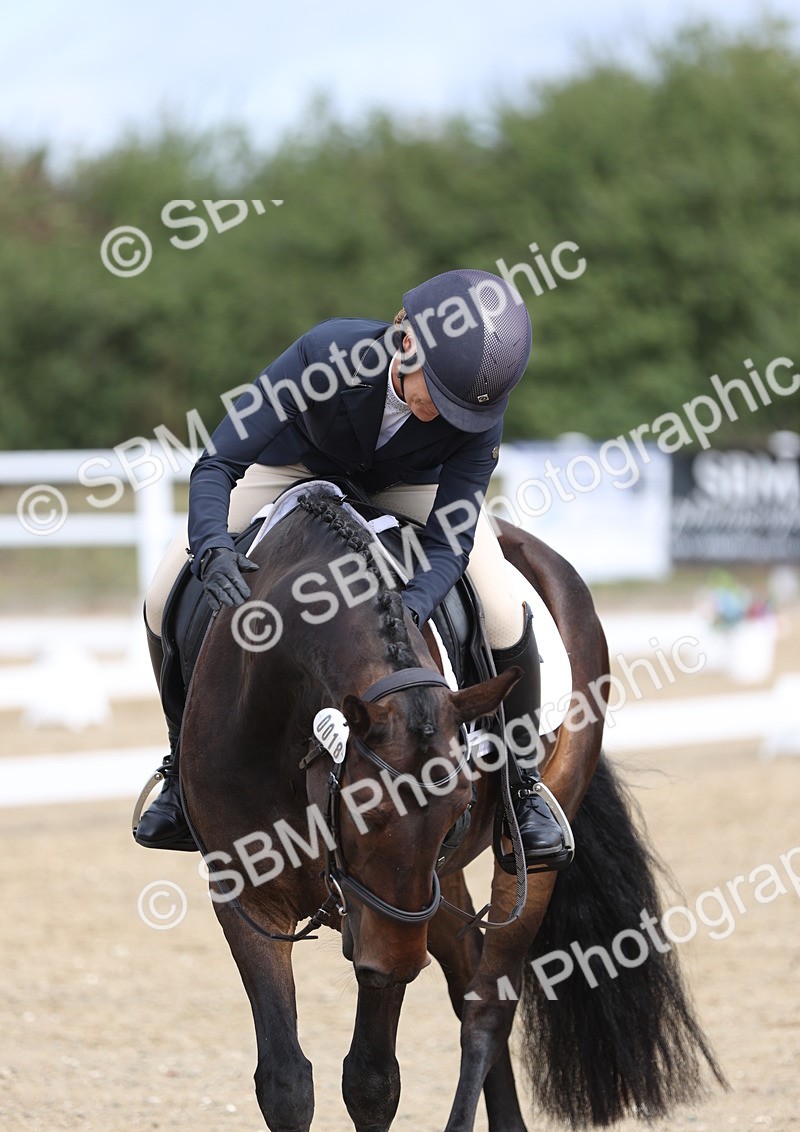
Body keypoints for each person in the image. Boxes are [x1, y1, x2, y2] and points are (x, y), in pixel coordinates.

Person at [135, 267, 568, 869]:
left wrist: (413, 604)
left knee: (501, 609)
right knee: (162, 593)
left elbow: (448, 542)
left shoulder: (476, 409)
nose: (436, 418)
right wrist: (210, 546)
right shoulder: (327, 352)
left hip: (408, 487)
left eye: (456, 414)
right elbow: (219, 461)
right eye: (434, 398)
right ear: (406, 338)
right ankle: (180, 773)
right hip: (297, 468)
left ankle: (522, 793)